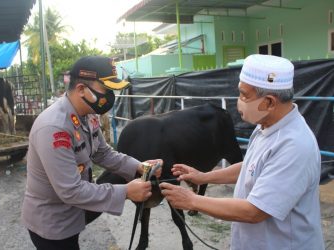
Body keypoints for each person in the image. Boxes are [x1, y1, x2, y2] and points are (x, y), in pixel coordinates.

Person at [160, 54, 324, 250]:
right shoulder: (265, 126)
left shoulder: (294, 146)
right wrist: (203, 177)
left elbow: (254, 212)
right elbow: (250, 168)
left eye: (244, 95)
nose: (239, 101)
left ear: (269, 102)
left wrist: (193, 200)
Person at [21, 55, 162, 250]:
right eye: (107, 90)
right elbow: (71, 190)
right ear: (81, 90)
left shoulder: (88, 115)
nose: (111, 97)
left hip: (73, 213)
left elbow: (103, 153)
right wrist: (126, 192)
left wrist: (139, 166)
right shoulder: (55, 128)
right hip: (53, 223)